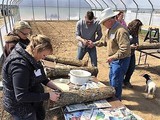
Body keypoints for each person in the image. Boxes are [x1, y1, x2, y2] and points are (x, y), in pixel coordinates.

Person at [2, 34, 61, 120]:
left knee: (40, 115)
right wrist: (48, 96)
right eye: (44, 55)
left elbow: (42, 77)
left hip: (32, 99)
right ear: (37, 50)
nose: (43, 58)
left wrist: (56, 87)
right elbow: (21, 96)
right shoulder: (19, 66)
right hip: (19, 106)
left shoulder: (32, 56)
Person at [98, 8, 131, 100]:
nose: (103, 25)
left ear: (109, 21)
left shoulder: (121, 31)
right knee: (112, 79)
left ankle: (116, 101)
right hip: (114, 60)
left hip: (121, 60)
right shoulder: (109, 30)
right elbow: (104, 41)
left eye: (103, 22)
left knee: (116, 81)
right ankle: (113, 97)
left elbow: (125, 50)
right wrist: (94, 43)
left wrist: (113, 57)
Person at [123, 19, 143, 88]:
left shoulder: (135, 33)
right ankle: (121, 81)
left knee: (131, 68)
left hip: (132, 54)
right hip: (125, 54)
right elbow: (122, 44)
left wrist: (137, 44)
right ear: (135, 27)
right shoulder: (125, 32)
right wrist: (129, 46)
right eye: (139, 27)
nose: (140, 29)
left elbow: (136, 41)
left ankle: (126, 81)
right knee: (124, 69)